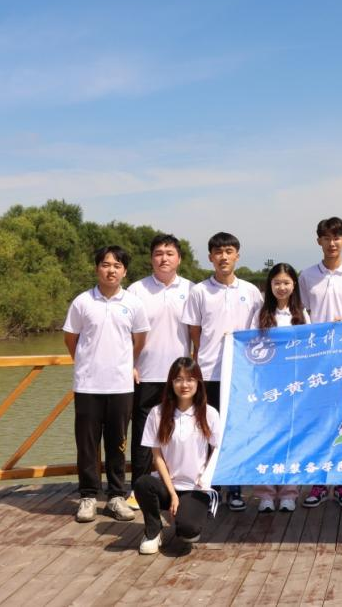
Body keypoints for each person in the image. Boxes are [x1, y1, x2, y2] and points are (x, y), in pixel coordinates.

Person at [63, 245, 150, 523]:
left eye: (117, 266)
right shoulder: (82, 302)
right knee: (87, 444)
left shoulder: (133, 303)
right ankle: (88, 496)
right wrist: (86, 363)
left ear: (124, 271)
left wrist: (125, 364)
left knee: (118, 443)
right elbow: (71, 339)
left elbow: (139, 340)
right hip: (88, 385)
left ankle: (115, 496)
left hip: (121, 385)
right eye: (105, 264)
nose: (111, 270)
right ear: (97, 268)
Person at [182, 232, 263, 512]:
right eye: (218, 252)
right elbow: (195, 332)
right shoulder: (199, 291)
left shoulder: (251, 292)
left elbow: (257, 332)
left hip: (241, 375)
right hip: (208, 373)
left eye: (229, 251)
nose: (223, 257)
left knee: (236, 431)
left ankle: (235, 487)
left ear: (237, 255)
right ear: (210, 257)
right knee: (207, 429)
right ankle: (210, 485)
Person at [298, 216, 342, 509]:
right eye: (326, 237)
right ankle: (319, 481)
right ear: (319, 241)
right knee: (319, 422)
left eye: (337, 237)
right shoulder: (306, 275)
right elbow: (301, 315)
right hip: (316, 362)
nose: (332, 242)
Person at [124, 234, 192, 511]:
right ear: (151, 258)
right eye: (158, 253)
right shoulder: (136, 290)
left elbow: (197, 334)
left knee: (182, 433)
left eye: (169, 253)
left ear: (179, 258)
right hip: (145, 374)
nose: (164, 258)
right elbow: (125, 333)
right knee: (144, 435)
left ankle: (182, 487)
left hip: (181, 378)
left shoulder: (191, 290)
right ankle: (138, 490)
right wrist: (130, 364)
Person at [134, 357, 222, 555]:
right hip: (168, 485)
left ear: (198, 383)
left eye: (190, 379)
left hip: (195, 487)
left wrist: (205, 479)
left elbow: (217, 450)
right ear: (171, 383)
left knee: (188, 531)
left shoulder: (209, 413)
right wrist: (173, 493)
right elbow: (157, 456)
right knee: (142, 484)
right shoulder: (157, 413)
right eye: (178, 379)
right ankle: (153, 531)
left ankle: (189, 514)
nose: (184, 385)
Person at [252, 262, 309, 512]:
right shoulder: (260, 313)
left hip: (294, 387)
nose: (281, 287)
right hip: (267, 386)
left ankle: (289, 493)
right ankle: (265, 494)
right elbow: (249, 345)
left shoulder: (302, 314)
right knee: (265, 439)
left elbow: (309, 348)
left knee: (291, 440)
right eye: (277, 283)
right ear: (270, 286)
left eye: (286, 282)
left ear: (294, 285)